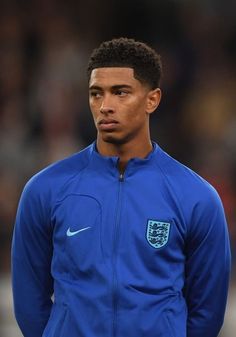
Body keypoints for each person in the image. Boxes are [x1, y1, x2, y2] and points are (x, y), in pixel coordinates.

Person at [12, 37, 231, 337]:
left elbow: (207, 312)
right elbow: (28, 302)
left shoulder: (196, 197)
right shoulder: (44, 190)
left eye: (120, 92)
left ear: (152, 100)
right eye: (95, 93)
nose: (105, 106)